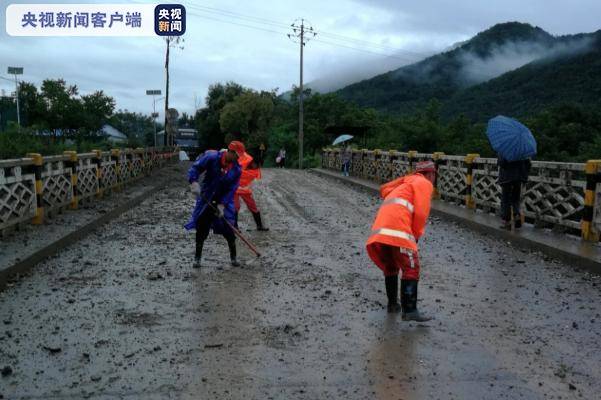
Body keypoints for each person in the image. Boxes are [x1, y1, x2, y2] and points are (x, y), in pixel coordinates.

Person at [365, 161, 437, 322]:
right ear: (430, 174)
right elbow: (420, 213)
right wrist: (416, 236)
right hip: (398, 229)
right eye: (434, 175)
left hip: (381, 230)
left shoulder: (406, 183)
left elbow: (385, 191)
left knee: (391, 266)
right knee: (411, 267)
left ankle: (393, 305)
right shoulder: (423, 183)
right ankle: (409, 310)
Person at [185, 141, 244, 268]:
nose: (237, 158)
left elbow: (232, 189)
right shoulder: (212, 158)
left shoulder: (237, 169)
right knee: (202, 226)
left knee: (228, 227)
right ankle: (197, 258)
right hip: (207, 196)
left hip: (223, 200)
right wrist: (193, 182)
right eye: (236, 155)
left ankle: (233, 258)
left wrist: (222, 204)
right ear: (230, 151)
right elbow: (196, 168)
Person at [235, 149, 269, 231]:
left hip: (245, 189)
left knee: (253, 206)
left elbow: (251, 182)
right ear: (253, 162)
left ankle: (259, 226)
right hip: (234, 188)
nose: (257, 168)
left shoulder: (256, 171)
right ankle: (234, 227)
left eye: (259, 166)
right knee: (236, 206)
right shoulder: (244, 160)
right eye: (257, 165)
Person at [498, 157, 531, 230]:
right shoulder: (522, 151)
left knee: (505, 200)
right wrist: (524, 177)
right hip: (518, 178)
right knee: (516, 199)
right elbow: (528, 165)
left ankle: (507, 222)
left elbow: (501, 163)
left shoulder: (505, 149)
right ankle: (516, 215)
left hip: (506, 178)